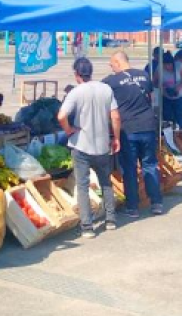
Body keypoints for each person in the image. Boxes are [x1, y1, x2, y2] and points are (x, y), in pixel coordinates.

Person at [57, 58, 120, 238]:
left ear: (77, 74)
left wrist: (69, 130)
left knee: (83, 186)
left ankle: (87, 227)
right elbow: (115, 117)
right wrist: (116, 138)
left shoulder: (76, 92)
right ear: (91, 72)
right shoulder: (106, 89)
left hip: (81, 145)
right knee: (106, 182)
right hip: (102, 145)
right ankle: (110, 220)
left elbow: (61, 116)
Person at [103, 52, 163, 218]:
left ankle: (132, 207)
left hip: (128, 129)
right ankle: (156, 203)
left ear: (118, 62)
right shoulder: (144, 76)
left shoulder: (112, 81)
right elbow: (150, 98)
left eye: (111, 64)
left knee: (129, 168)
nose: (111, 67)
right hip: (148, 126)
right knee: (150, 164)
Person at [155, 51, 182, 130]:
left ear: (172, 63)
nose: (167, 67)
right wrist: (162, 87)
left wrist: (178, 87)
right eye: (165, 65)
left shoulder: (179, 66)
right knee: (167, 118)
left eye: (169, 65)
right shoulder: (159, 68)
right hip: (166, 98)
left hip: (178, 97)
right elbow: (154, 82)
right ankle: (169, 134)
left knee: (180, 118)